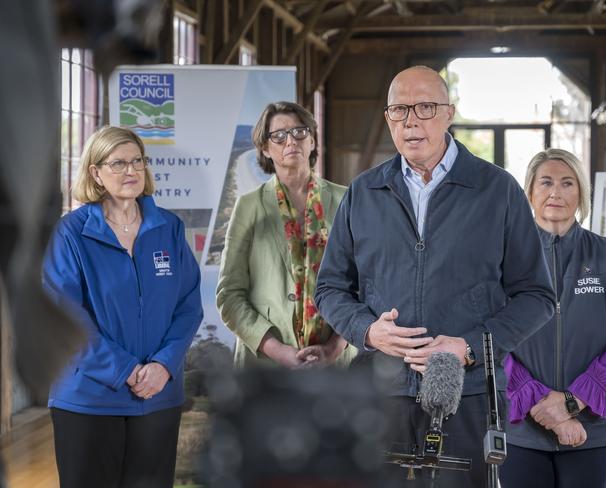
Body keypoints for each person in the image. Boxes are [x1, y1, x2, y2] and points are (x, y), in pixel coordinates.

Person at [314, 65, 556, 487]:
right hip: (379, 395)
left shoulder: (497, 190)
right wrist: (368, 332)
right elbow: (330, 287)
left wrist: (471, 346)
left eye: (425, 107)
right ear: (387, 118)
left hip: (468, 395)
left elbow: (537, 296)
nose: (411, 121)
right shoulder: (363, 193)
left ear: (449, 113)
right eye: (399, 110)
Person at [43, 126, 203, 488]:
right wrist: (127, 370)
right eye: (118, 163)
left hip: (158, 396)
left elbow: (189, 305)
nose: (131, 171)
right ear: (95, 172)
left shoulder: (169, 228)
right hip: (88, 399)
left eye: (137, 161)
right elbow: (65, 316)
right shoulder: (71, 233)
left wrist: (163, 365)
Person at [500, 148, 606, 488]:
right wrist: (538, 402)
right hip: (521, 425)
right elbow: (492, 339)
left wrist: (572, 401)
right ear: (530, 192)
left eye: (567, 183)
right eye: (545, 182)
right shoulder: (501, 258)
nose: (555, 192)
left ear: (580, 194)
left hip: (594, 428)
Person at [216, 101, 355, 369]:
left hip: (334, 367)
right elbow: (229, 294)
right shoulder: (248, 206)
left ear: (312, 141)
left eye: (299, 132)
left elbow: (364, 284)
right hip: (266, 367)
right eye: (278, 136)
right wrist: (277, 350)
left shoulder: (346, 199)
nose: (290, 140)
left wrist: (334, 347)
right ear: (266, 149)